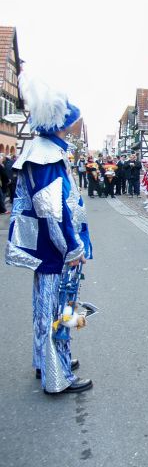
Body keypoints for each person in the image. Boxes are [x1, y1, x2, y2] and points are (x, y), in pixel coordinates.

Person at [6, 72, 93, 394]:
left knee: (47, 308)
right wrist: (73, 249)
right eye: (67, 123)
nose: (70, 127)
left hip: (47, 250)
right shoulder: (48, 157)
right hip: (57, 252)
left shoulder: (42, 151)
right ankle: (58, 376)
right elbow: (53, 213)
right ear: (57, 124)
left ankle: (48, 361)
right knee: (60, 309)